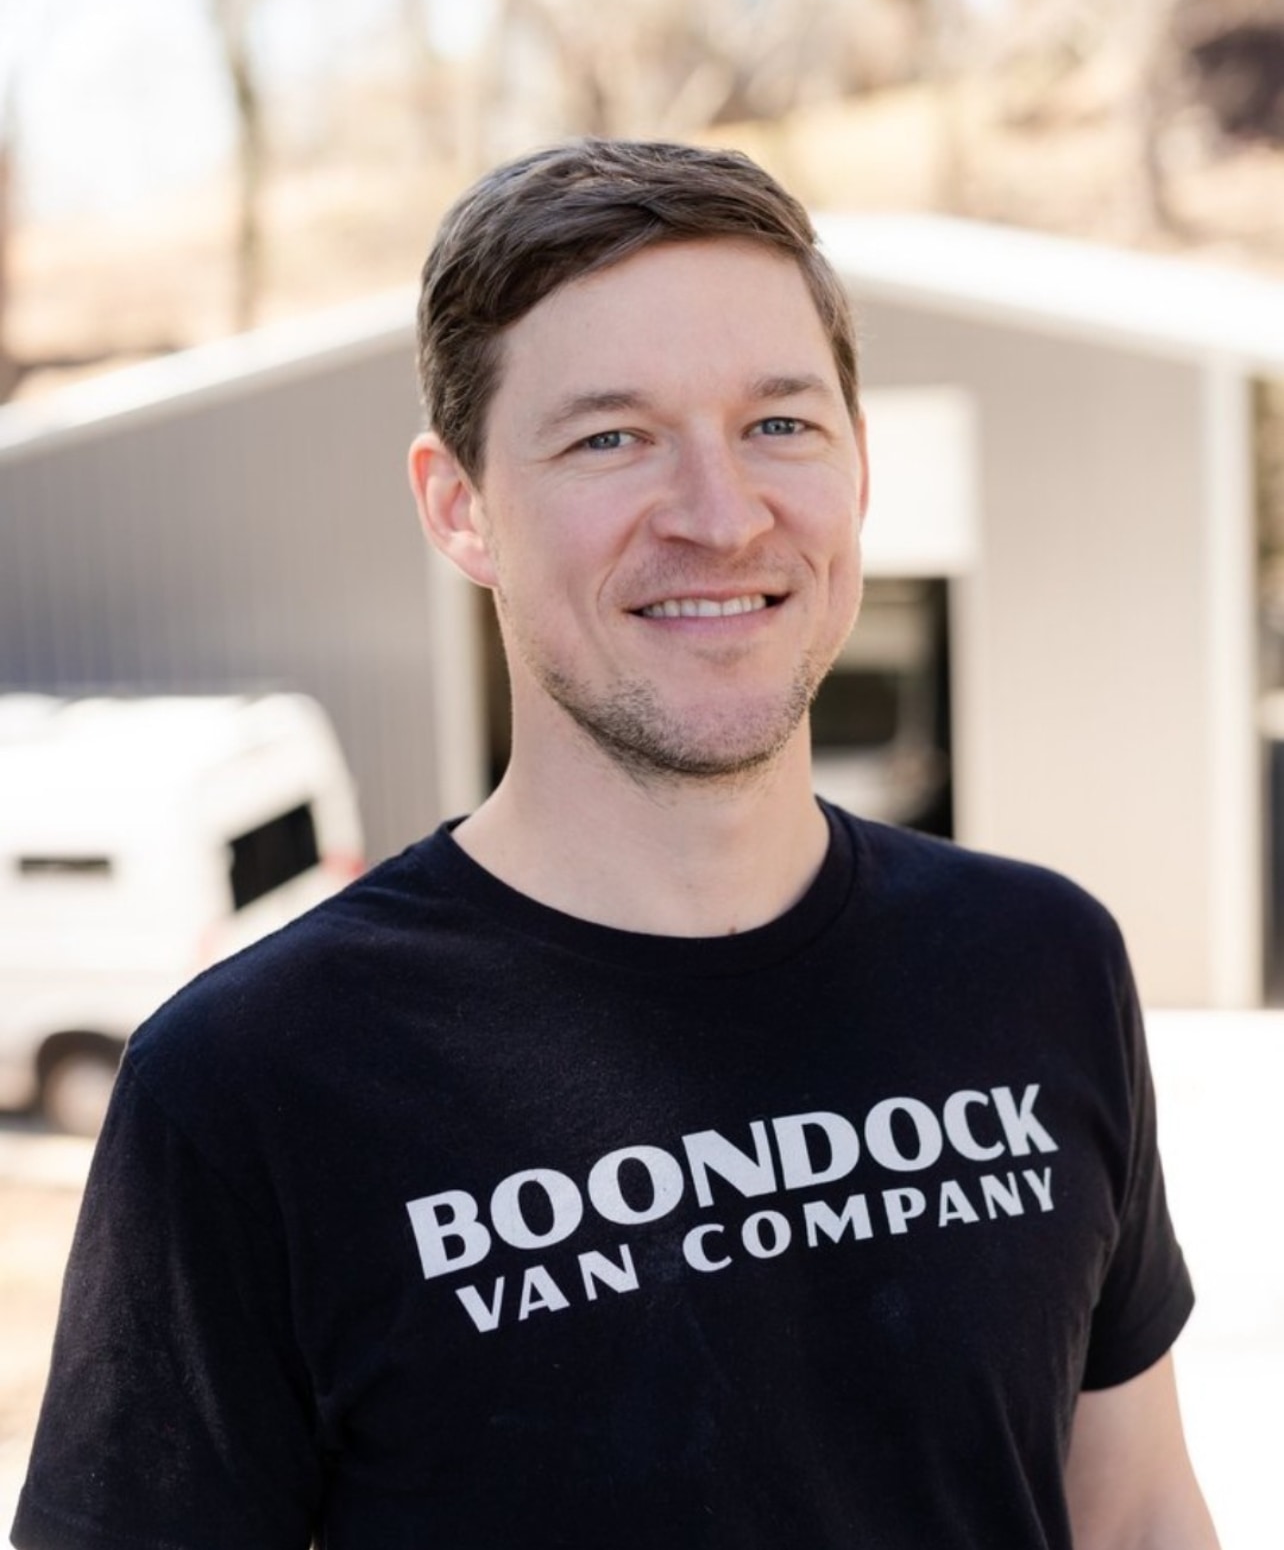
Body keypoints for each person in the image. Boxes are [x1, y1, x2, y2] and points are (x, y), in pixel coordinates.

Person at [13, 138, 1219, 1550]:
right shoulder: (251, 1085)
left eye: (780, 423)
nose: (721, 515)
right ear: (459, 507)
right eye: (611, 438)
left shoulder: (1039, 961)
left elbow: (1137, 1510)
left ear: (858, 464)